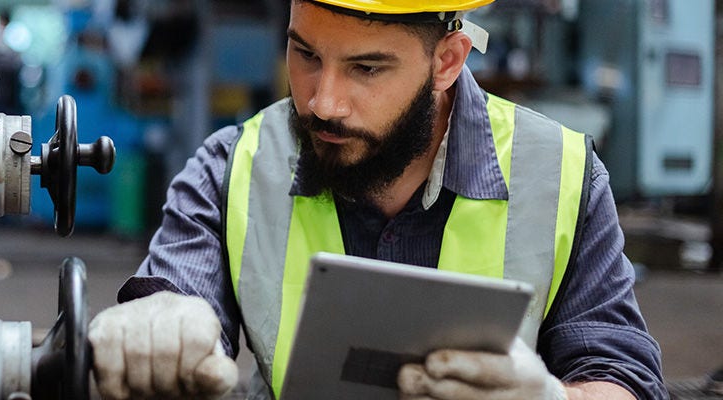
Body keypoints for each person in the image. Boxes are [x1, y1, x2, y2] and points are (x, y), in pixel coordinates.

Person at [88, 1, 665, 399]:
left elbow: (624, 378)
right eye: (305, 55)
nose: (322, 102)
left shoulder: (561, 174)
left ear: (447, 60)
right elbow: (173, 303)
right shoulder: (231, 168)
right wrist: (163, 321)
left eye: (366, 67)